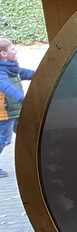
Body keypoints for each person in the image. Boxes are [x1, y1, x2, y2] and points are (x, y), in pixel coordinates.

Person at [0, 38, 35, 178]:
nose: (16, 51)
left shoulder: (12, 68)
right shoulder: (1, 72)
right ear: (3, 54)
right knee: (4, 139)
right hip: (5, 113)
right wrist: (21, 98)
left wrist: (45, 73)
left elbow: (25, 73)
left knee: (26, 135)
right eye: (12, 49)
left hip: (15, 111)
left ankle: (34, 161)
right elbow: (5, 86)